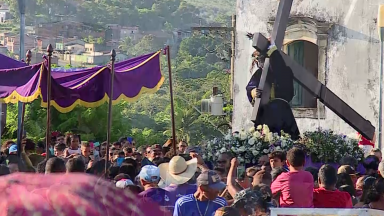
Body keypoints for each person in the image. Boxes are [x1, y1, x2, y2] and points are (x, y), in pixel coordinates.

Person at [246, 41, 299, 140]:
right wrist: (253, 92)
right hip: (264, 112)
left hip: (281, 111)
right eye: (258, 60)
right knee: (263, 138)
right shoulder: (259, 74)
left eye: (263, 59)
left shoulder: (285, 72)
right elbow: (250, 87)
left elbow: (289, 91)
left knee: (285, 139)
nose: (260, 63)